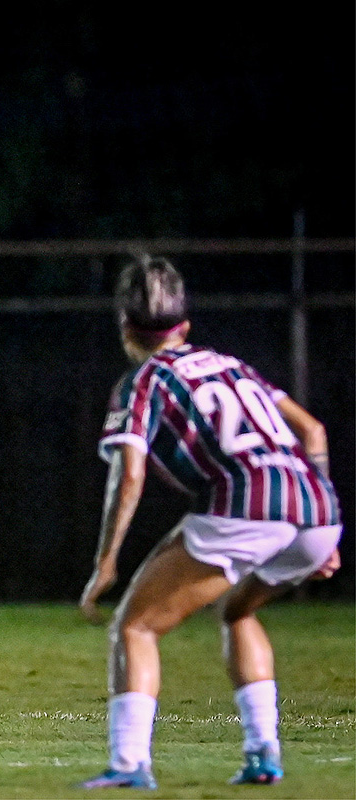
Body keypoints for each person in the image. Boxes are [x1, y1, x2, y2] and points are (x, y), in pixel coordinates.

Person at [78, 255, 342, 789]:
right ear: (186, 327)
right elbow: (312, 431)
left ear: (126, 328)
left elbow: (129, 475)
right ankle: (263, 752)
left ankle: (129, 764)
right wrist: (319, 524)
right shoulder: (232, 365)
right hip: (317, 506)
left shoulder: (144, 382)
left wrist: (106, 561)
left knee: (135, 625)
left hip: (246, 504)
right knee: (239, 611)